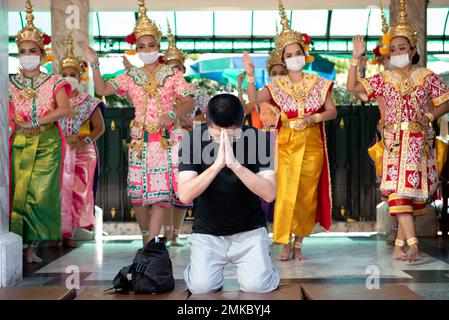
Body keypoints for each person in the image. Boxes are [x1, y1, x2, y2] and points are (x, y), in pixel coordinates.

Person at [84, 0, 194, 245]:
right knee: (136, 196)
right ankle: (147, 240)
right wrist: (95, 63)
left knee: (160, 197)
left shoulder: (172, 74)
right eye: (142, 46)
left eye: (151, 45)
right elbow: (101, 88)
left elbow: (189, 102)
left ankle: (152, 245)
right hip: (139, 144)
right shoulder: (132, 76)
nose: (147, 49)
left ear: (158, 45)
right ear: (136, 49)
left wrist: (173, 115)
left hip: (163, 143)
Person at [346, 0, 449, 262]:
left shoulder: (426, 75)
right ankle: (412, 245)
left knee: (411, 194)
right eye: (393, 49)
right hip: (393, 142)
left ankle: (399, 246)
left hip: (418, 142)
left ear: (413, 50)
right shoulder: (383, 79)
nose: (397, 52)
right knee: (397, 191)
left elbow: (445, 100)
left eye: (403, 48)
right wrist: (356, 59)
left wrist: (430, 115)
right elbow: (353, 88)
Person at [242, 0, 337, 261]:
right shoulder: (277, 86)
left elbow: (332, 112)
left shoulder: (319, 82)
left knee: (306, 195)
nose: (294, 58)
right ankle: (283, 241)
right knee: (285, 194)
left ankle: (299, 244)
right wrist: (250, 75)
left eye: (297, 53)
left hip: (312, 143)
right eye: (289, 55)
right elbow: (253, 100)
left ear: (305, 55)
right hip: (285, 143)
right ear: (283, 60)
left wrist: (314, 117)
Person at [178, 93, 279, 294]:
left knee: (256, 286)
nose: (223, 138)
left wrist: (235, 165)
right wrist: (216, 166)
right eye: (217, 134)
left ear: (242, 122)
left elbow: (269, 194)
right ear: (207, 121)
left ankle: (265, 265)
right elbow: (185, 195)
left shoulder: (260, 139)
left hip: (249, 231)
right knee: (201, 288)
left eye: (232, 133)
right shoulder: (192, 140)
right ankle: (198, 267)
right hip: (208, 232)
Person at [8, 0, 70, 263]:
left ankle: (33, 246)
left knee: (41, 195)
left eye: (32, 50)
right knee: (18, 192)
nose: (27, 55)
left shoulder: (54, 81)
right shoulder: (9, 82)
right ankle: (18, 245)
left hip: (48, 143)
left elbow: (64, 109)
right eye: (23, 51)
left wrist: (35, 122)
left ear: (43, 53)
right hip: (19, 142)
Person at [58, 31, 106, 248]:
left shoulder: (89, 101)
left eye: (72, 74)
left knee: (77, 192)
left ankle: (69, 234)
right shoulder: (53, 101)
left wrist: (83, 141)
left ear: (80, 77)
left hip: (83, 152)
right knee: (58, 191)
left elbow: (100, 128)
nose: (68, 77)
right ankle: (55, 233)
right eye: (64, 73)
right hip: (58, 150)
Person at [237, 51, 286, 224]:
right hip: (265, 142)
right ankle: (262, 225)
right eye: (275, 74)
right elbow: (242, 110)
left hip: (287, 142)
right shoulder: (261, 95)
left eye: (282, 73)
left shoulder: (293, 97)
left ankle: (281, 226)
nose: (278, 77)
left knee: (284, 184)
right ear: (269, 75)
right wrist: (239, 86)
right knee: (264, 181)